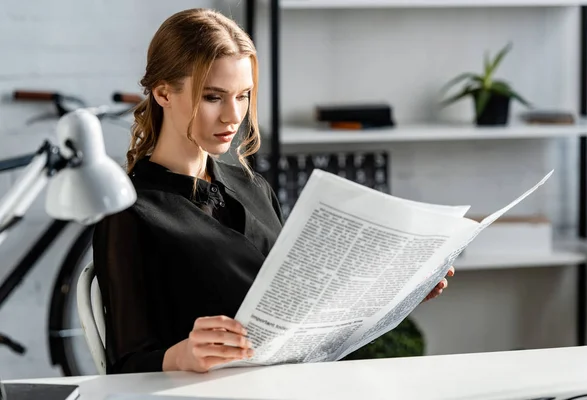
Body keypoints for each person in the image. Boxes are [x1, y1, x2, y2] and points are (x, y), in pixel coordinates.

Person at [92, 7, 454, 375]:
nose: (234, 116)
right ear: (164, 93)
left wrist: (394, 292)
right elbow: (127, 363)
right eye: (213, 97)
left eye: (243, 95)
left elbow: (301, 309)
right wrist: (184, 355)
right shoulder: (129, 213)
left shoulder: (253, 187)